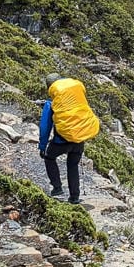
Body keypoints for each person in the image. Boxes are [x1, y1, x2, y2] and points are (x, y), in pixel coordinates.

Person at [39, 72, 100, 205]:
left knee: (49, 157)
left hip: (61, 141)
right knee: (72, 165)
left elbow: (45, 127)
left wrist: (42, 146)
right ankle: (74, 197)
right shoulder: (76, 100)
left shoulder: (51, 104)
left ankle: (57, 188)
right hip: (78, 140)